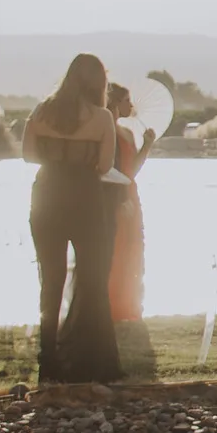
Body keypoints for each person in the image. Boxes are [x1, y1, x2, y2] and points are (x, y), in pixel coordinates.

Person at [24, 53, 123, 384]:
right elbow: (105, 166)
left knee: (50, 281)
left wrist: (56, 158)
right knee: (93, 279)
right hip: (85, 197)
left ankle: (48, 362)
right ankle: (92, 362)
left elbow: (28, 155)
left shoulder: (42, 111)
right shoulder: (103, 118)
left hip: (47, 194)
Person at [105, 81, 153, 320]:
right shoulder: (106, 132)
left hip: (130, 192)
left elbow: (131, 169)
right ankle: (114, 303)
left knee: (133, 246)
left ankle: (131, 302)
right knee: (116, 246)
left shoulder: (126, 132)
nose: (131, 105)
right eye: (127, 100)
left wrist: (147, 146)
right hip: (116, 194)